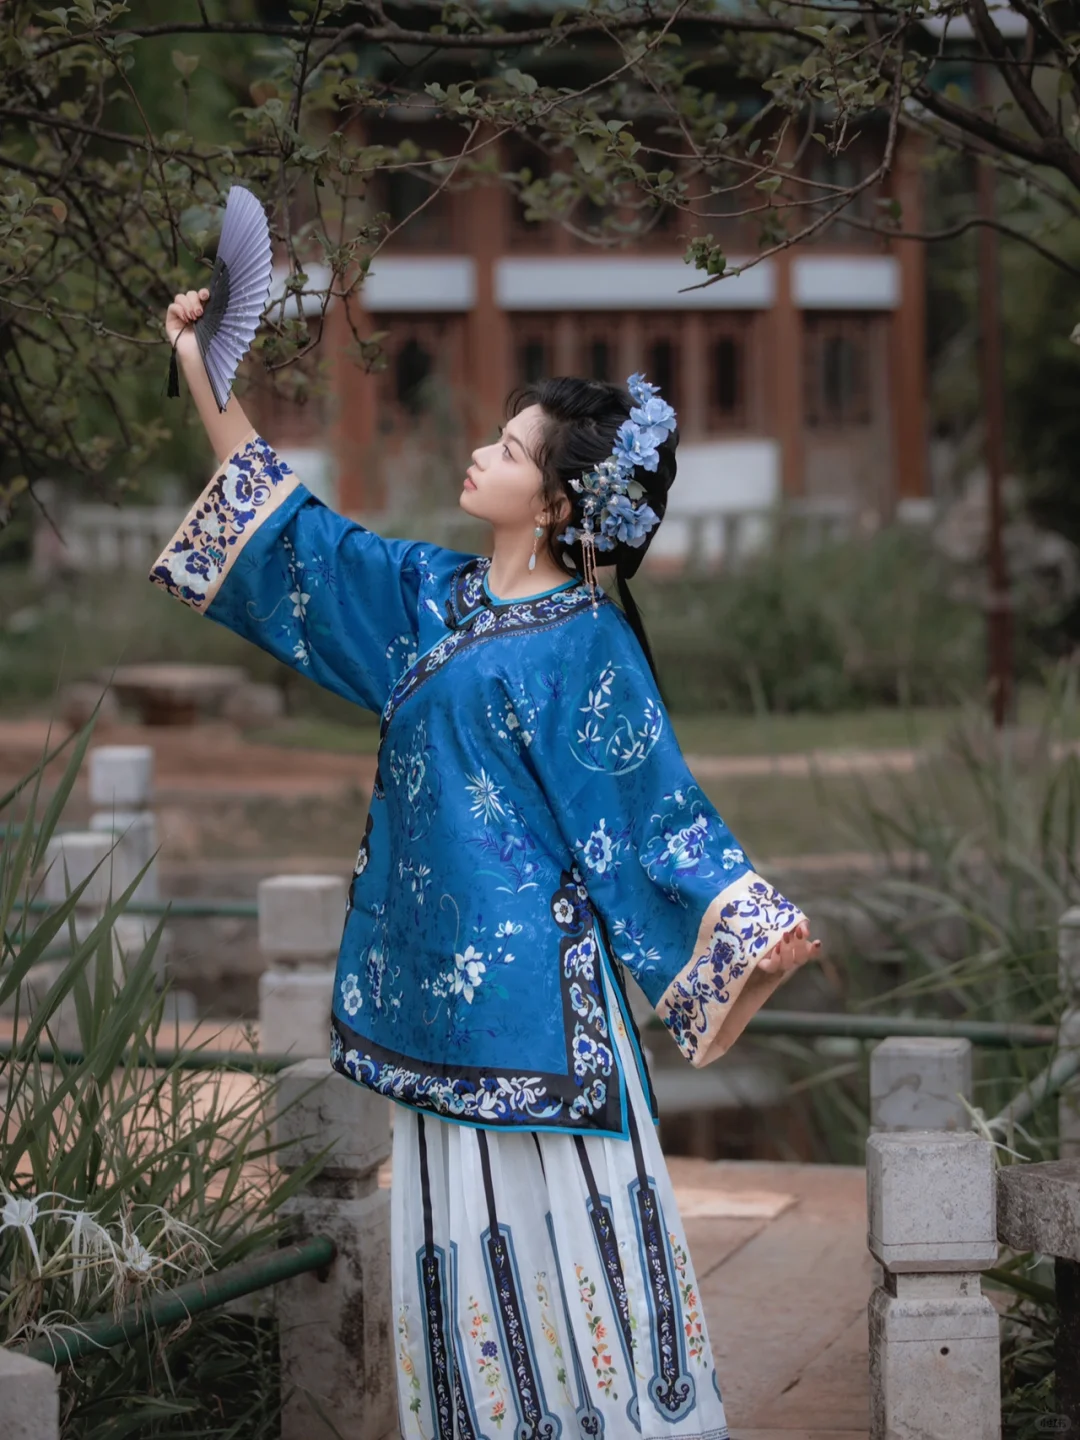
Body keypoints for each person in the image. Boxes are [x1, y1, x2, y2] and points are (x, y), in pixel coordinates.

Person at [156, 287, 821, 1440]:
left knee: (566, 1230)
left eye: (508, 448)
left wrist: (750, 923)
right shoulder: (435, 600)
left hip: (540, 1018)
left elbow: (650, 817)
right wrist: (199, 366)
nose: (480, 451)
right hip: (436, 1003)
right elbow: (293, 534)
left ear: (559, 502)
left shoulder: (589, 645)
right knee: (457, 1239)